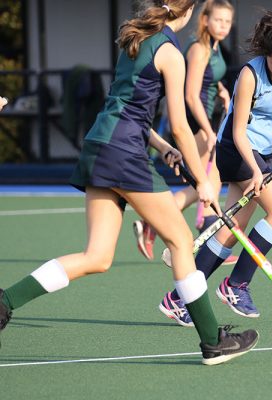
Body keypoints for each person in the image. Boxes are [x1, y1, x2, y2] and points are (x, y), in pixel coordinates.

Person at [0, 0, 258, 366]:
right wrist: (202, 180)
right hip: (124, 154)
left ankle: (3, 302)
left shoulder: (135, 38)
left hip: (100, 146)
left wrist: (163, 146)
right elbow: (182, 124)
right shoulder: (171, 52)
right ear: (186, 13)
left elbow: (126, 105)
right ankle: (213, 341)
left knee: (97, 257)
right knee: (182, 241)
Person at [159, 10, 272, 326]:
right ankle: (236, 284)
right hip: (237, 150)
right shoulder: (250, 74)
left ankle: (180, 298)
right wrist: (256, 173)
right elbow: (238, 131)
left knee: (232, 230)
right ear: (265, 56)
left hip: (263, 153)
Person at [133, 0, 238, 267]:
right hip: (197, 122)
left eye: (227, 21)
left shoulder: (213, 47)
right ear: (205, 20)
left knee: (207, 183)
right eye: (218, 21)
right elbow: (191, 95)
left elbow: (208, 80)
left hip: (207, 121)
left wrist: (222, 89)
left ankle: (164, 224)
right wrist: (207, 129)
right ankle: (158, 221)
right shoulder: (199, 49)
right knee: (207, 183)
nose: (223, 26)